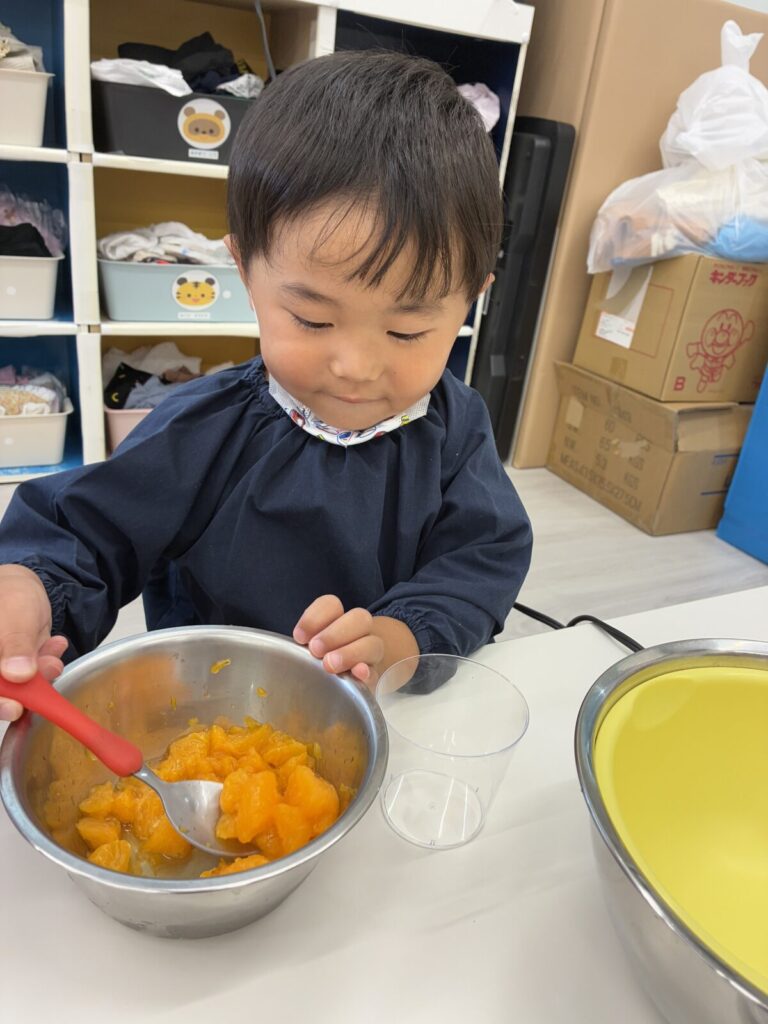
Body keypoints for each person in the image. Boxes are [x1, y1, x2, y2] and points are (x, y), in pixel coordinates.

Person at [0, 49, 532, 722]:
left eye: (407, 331)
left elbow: (482, 560)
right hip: (205, 714)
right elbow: (82, 535)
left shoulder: (456, 429)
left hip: (386, 714)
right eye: (313, 319)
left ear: (471, 301)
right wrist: (27, 589)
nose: (356, 366)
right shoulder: (204, 427)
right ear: (246, 274)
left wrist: (401, 638)